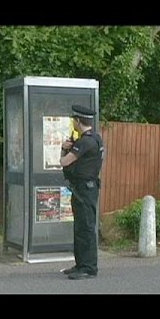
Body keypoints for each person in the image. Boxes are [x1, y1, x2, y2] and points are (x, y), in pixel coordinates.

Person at [59, 105, 104, 280]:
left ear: (78, 121)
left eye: (74, 121)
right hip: (84, 188)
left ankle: (89, 268)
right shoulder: (95, 138)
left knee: (85, 228)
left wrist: (64, 148)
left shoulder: (85, 142)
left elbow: (64, 162)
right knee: (80, 227)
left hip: (85, 189)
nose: (73, 124)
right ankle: (80, 264)